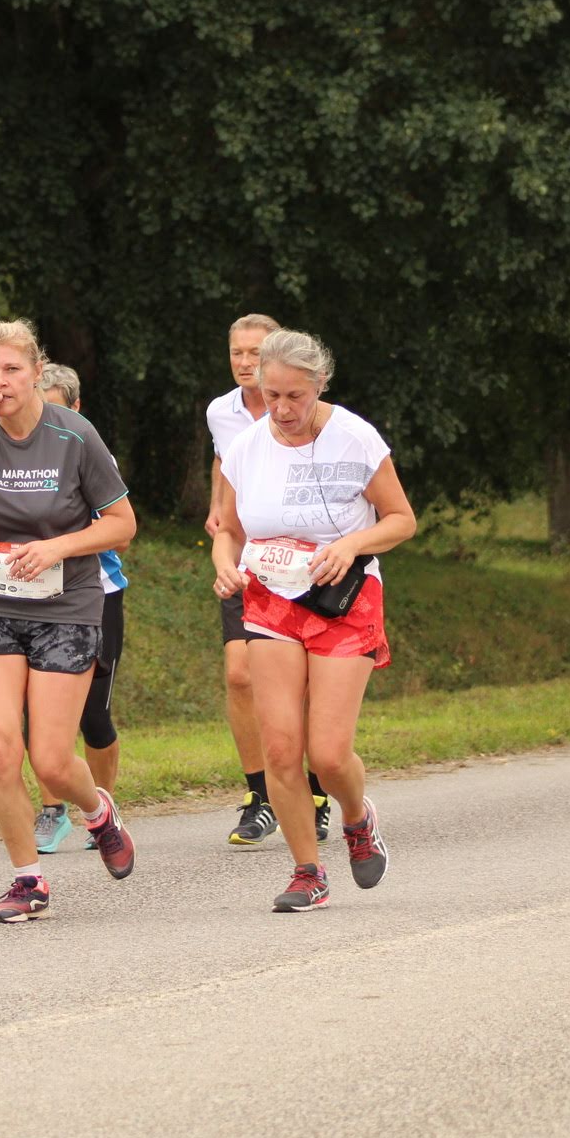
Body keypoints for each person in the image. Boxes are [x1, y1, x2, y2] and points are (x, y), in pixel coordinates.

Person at [0, 320, 140, 921]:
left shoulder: (74, 434)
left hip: (66, 608)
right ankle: (28, 880)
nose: (0, 382)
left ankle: (97, 812)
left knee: (50, 761)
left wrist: (56, 548)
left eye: (12, 369)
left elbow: (122, 525)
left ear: (37, 373)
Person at [211, 329, 416, 911]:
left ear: (320, 384)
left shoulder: (356, 437)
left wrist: (351, 544)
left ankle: (357, 816)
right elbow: (228, 529)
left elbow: (401, 519)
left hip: (343, 601)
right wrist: (225, 565)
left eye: (294, 396)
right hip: (271, 600)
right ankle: (308, 871)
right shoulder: (246, 447)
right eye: (271, 395)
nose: (281, 409)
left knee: (327, 755)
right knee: (280, 750)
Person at [205, 313, 333, 844]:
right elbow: (224, 464)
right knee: (240, 675)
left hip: (309, 565)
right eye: (236, 352)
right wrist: (218, 515)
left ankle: (315, 792)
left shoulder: (316, 413)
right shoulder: (222, 412)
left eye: (254, 353)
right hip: (250, 557)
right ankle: (260, 795)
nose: (244, 362)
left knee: (303, 681)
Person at [31, 363, 126, 853]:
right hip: (31, 594)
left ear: (76, 409)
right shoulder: (17, 453)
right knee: (37, 712)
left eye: (55, 408)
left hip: (96, 594)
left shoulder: (91, 450)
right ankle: (52, 811)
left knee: (92, 715)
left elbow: (121, 533)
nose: (44, 420)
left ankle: (102, 808)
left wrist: (63, 539)